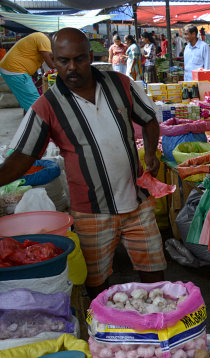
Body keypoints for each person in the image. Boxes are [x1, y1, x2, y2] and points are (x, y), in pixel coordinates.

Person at [0, 28, 165, 298]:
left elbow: (148, 118)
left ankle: (159, 326)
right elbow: (21, 158)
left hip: (136, 201)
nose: (72, 67)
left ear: (91, 56)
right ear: (52, 60)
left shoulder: (120, 84)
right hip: (90, 211)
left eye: (79, 59)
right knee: (96, 282)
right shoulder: (46, 106)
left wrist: (148, 155)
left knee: (155, 274)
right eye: (63, 61)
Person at [0, 32, 55, 111]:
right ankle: (40, 121)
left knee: (29, 101)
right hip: (16, 70)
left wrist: (35, 75)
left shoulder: (40, 39)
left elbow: (32, 57)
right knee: (35, 102)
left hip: (12, 69)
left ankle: (34, 119)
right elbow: (51, 64)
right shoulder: (44, 39)